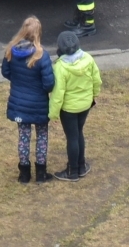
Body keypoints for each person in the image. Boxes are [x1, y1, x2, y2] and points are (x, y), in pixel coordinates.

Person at [1, 15, 56, 184]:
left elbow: (5, 72)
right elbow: (49, 83)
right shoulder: (41, 55)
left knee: (23, 137)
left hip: (19, 103)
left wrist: (18, 82)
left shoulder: (11, 51)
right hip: (39, 104)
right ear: (38, 33)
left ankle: (24, 174)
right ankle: (41, 173)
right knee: (42, 136)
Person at [50, 30, 101, 181]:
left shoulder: (60, 67)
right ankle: (81, 166)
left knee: (72, 137)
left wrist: (53, 114)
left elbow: (58, 94)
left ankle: (72, 172)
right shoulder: (88, 59)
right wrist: (94, 96)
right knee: (79, 133)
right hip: (85, 104)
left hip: (69, 109)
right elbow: (96, 80)